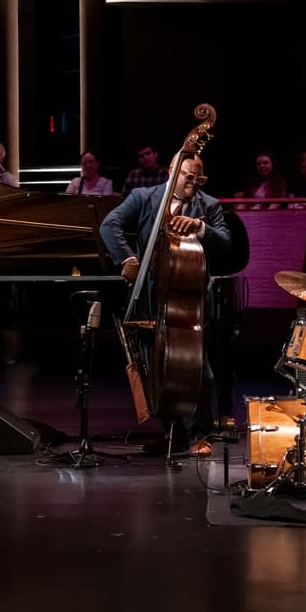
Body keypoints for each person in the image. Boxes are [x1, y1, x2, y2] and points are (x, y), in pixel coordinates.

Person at [99, 155, 234, 456]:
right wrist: (128, 259)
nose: (193, 184)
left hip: (191, 300)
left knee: (199, 369)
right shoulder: (144, 197)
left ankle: (202, 434)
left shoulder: (208, 206)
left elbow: (226, 243)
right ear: (173, 171)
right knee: (155, 369)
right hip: (151, 297)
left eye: (199, 179)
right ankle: (175, 433)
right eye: (188, 177)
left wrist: (200, 228)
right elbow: (110, 225)